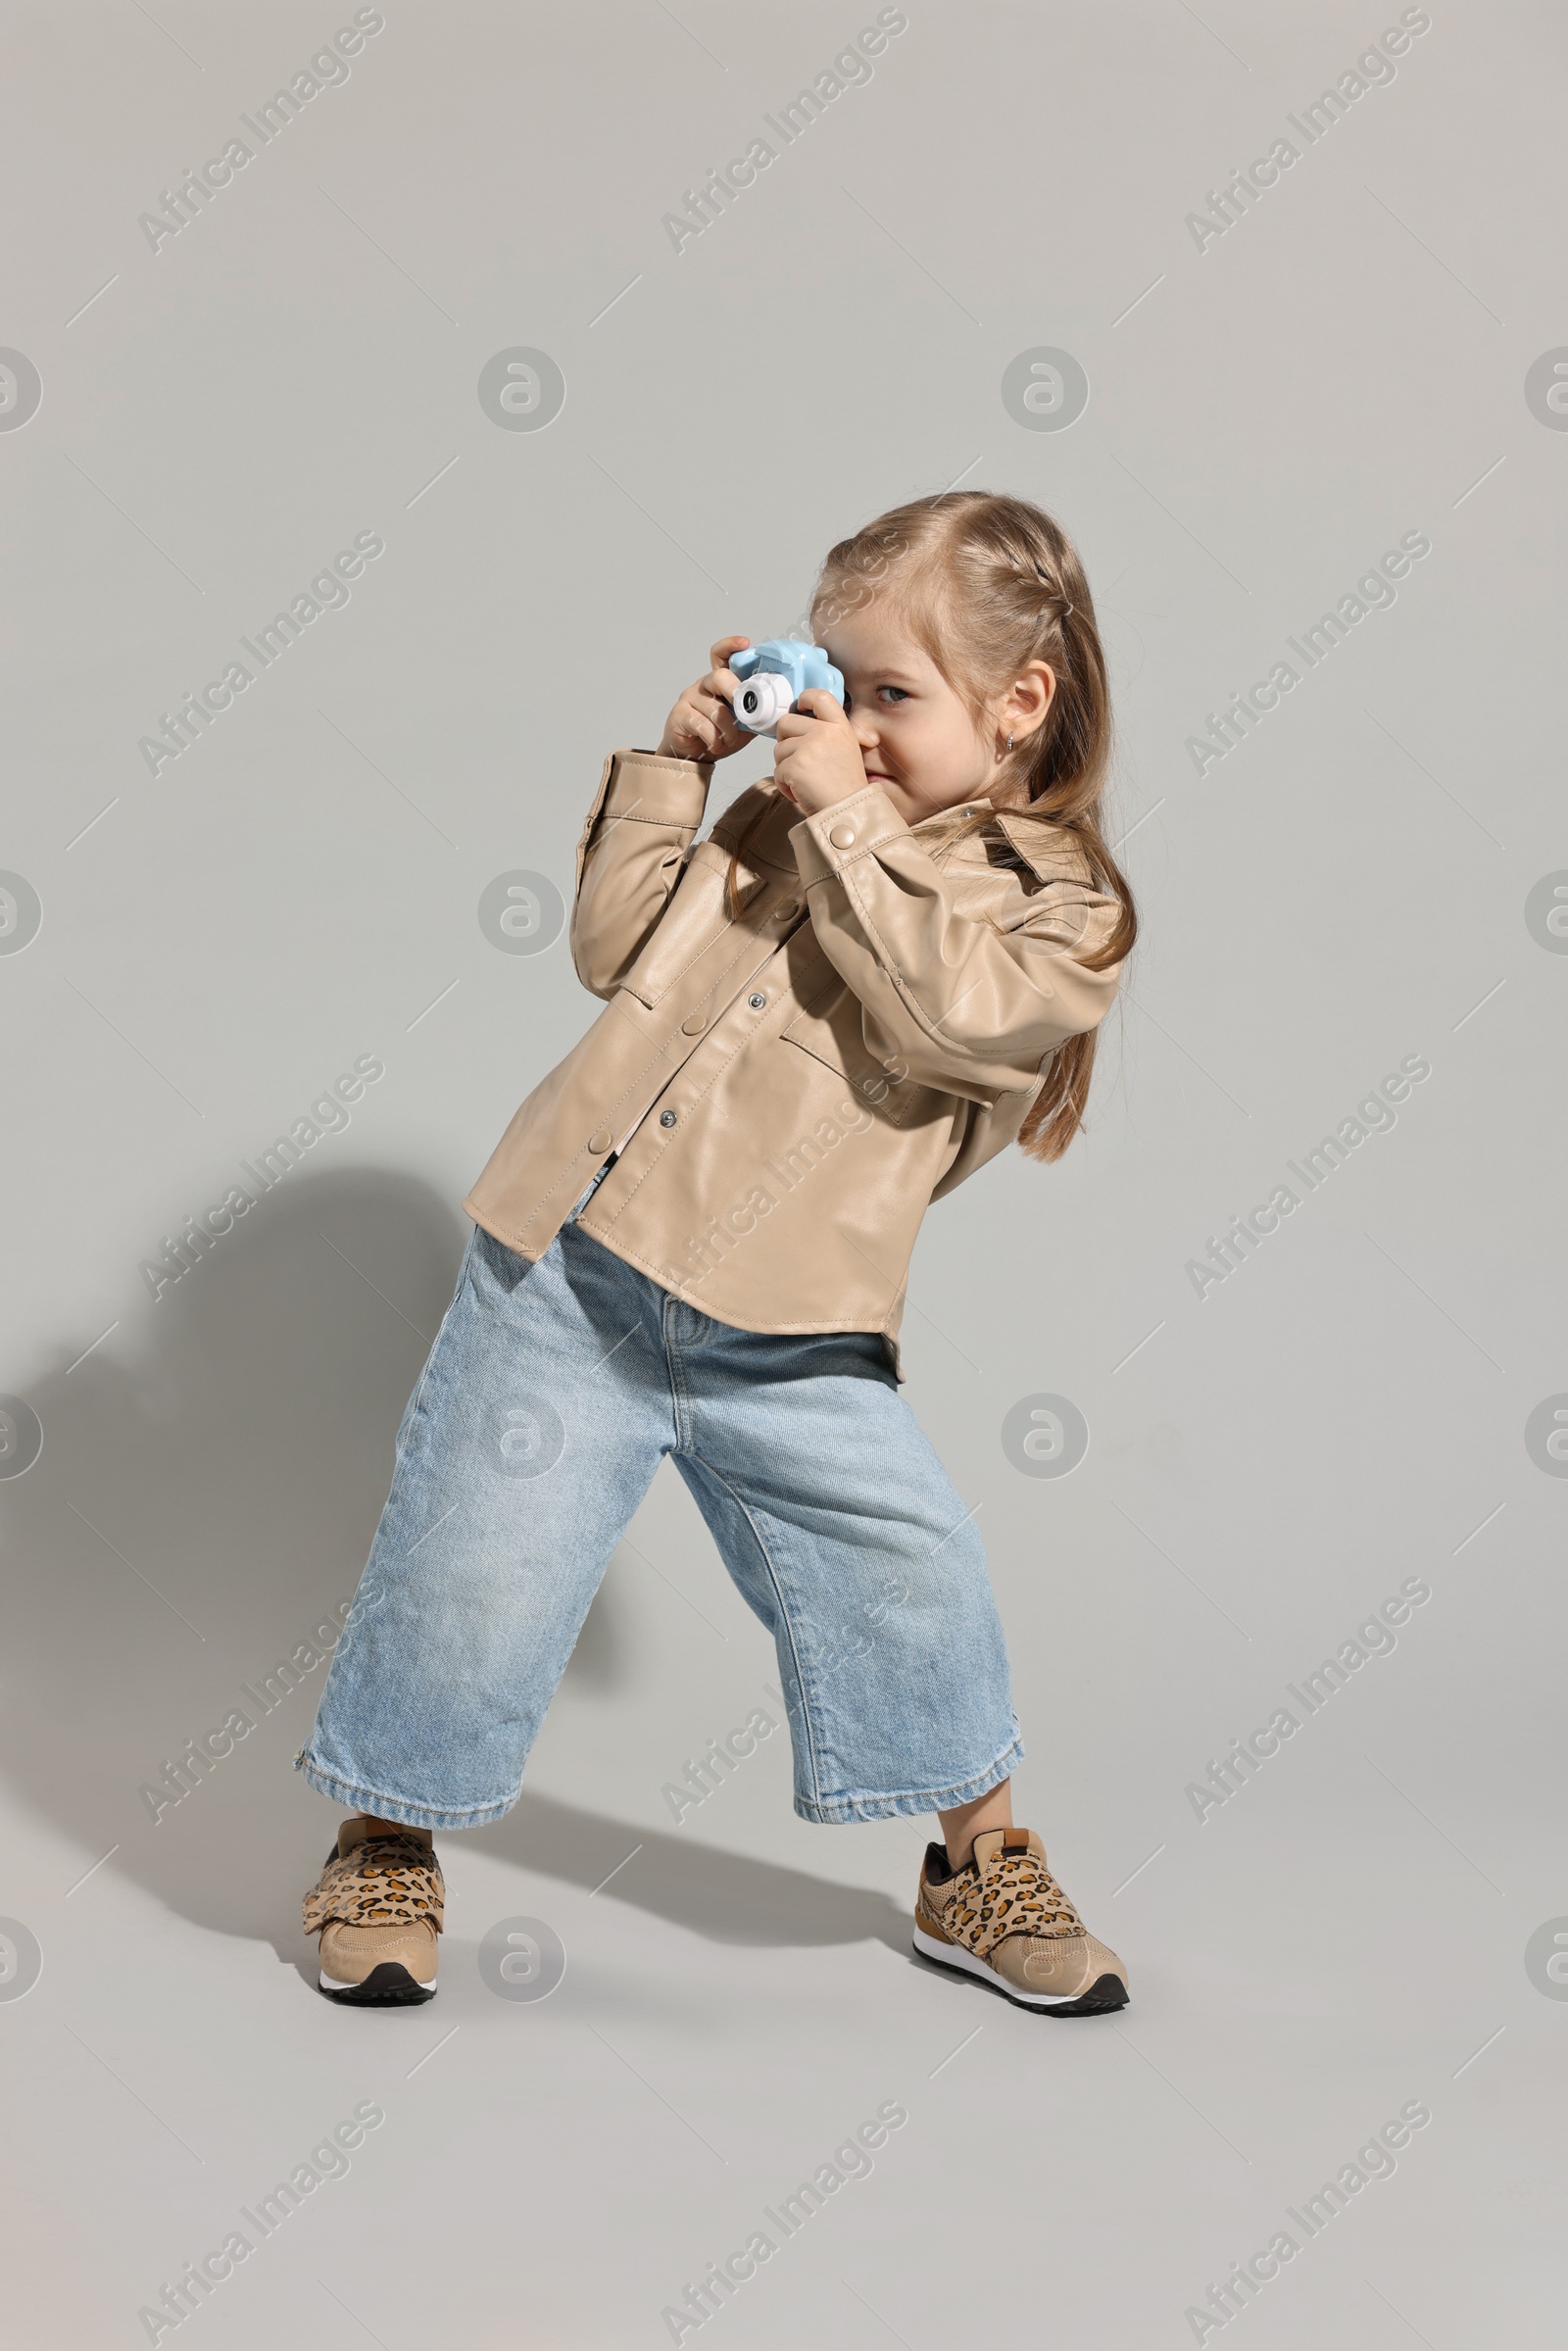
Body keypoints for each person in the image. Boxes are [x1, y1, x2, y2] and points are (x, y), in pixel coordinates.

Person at [296, 489, 1139, 2016]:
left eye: (892, 693)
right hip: (572, 1267)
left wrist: (839, 807)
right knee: (470, 1571)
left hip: (792, 1328)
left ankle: (978, 1866)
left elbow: (944, 1009)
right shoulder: (780, 809)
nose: (846, 722)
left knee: (914, 1578)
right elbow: (614, 954)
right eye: (832, 678)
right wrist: (674, 775)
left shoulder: (1055, 909)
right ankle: (384, 1835)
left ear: (1020, 704)